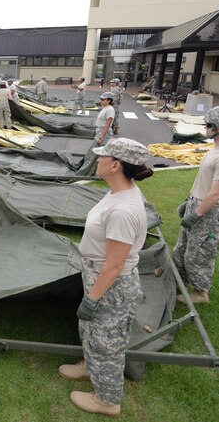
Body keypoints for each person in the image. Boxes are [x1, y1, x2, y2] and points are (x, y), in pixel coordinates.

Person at [59, 137, 153, 417]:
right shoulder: (117, 192)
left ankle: (107, 400)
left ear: (115, 165)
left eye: (102, 157)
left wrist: (93, 298)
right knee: (92, 331)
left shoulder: (124, 210)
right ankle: (90, 367)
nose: (97, 160)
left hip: (110, 283)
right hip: (98, 274)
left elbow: (115, 264)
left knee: (107, 342)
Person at [173, 105, 219, 304]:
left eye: (209, 124)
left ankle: (200, 293)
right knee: (182, 250)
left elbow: (216, 194)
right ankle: (179, 282)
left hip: (209, 213)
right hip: (198, 204)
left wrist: (196, 214)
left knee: (199, 255)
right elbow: (205, 185)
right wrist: (189, 203)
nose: (206, 127)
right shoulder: (217, 150)